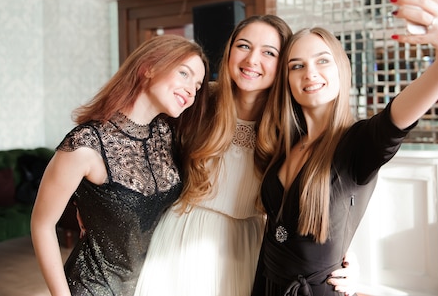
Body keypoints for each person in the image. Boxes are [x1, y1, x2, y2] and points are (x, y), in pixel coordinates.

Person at [253, 0, 438, 295]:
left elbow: (398, 116)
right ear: (287, 80)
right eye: (296, 65)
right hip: (265, 283)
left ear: (341, 70)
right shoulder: (285, 141)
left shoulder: (359, 144)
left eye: (322, 61)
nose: (310, 73)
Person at [135, 15, 357, 296]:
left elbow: (332, 194)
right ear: (229, 51)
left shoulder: (292, 127)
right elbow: (137, 130)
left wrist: (350, 257)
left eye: (269, 52)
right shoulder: (199, 100)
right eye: (243, 46)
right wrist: (96, 196)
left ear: (284, 65)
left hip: (249, 248)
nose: (252, 60)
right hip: (182, 236)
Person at [31, 34, 210, 296]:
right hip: (94, 288)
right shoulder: (86, 144)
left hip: (151, 287)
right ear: (148, 67)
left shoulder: (167, 134)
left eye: (197, 85)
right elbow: (42, 225)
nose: (191, 91)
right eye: (184, 73)